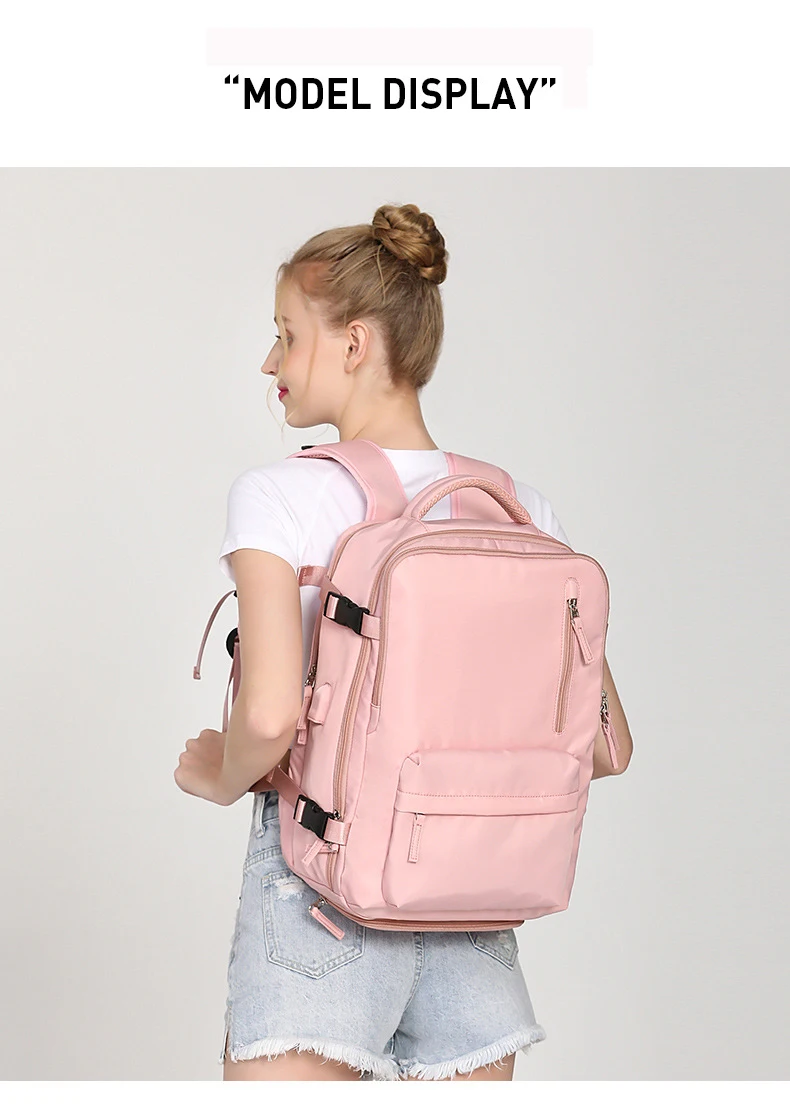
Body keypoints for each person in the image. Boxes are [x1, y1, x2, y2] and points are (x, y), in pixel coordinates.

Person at [175, 202, 633, 1081]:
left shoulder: (278, 496)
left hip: (318, 896)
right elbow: (608, 746)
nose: (271, 362)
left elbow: (269, 717)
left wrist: (217, 774)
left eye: (287, 335)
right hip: (476, 914)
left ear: (353, 344)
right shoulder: (521, 513)